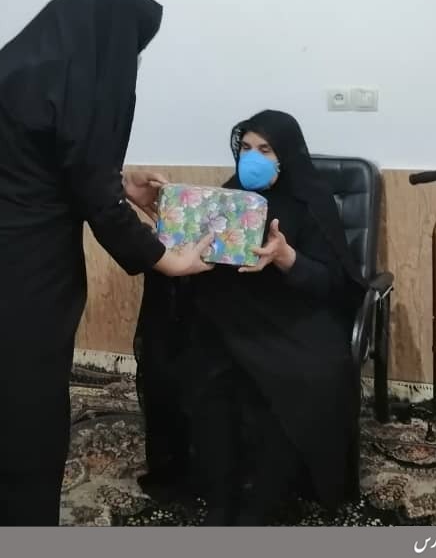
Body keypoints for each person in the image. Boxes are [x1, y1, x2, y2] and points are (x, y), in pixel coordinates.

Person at [0, 0, 213, 526]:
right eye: (132, 49)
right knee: (18, 432)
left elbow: (47, 165)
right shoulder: (61, 82)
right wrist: (167, 260)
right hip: (0, 290)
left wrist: (120, 182)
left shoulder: (22, 72)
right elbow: (91, 192)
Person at [135, 110, 366, 525]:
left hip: (294, 318)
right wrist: (172, 227)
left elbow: (332, 283)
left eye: (265, 149)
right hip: (228, 314)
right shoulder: (228, 198)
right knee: (198, 372)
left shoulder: (311, 203)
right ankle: (219, 494)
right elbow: (197, 257)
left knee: (301, 379)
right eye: (245, 148)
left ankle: (264, 499)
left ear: (285, 157)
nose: (252, 158)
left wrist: (286, 257)